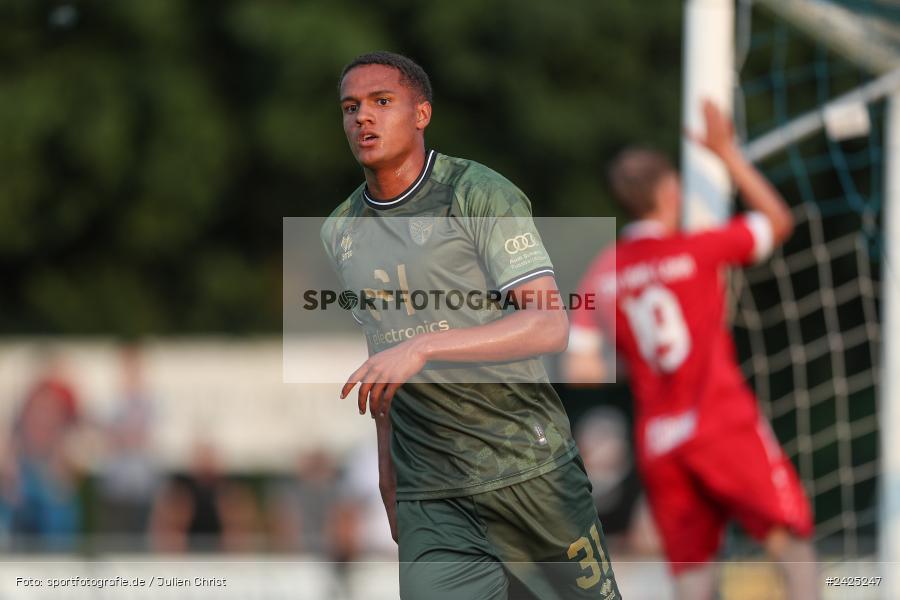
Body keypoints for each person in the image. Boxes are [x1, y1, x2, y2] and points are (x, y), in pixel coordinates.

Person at [321, 51, 621, 599]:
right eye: (350, 107)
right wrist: (389, 472)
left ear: (421, 114)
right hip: (431, 497)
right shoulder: (340, 230)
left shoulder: (478, 193)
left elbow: (550, 325)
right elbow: (383, 352)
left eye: (381, 102)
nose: (362, 117)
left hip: (529, 473)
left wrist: (426, 347)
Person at [563, 100, 818, 600]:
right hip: (719, 419)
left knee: (692, 575)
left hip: (659, 439)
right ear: (668, 191)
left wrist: (635, 357)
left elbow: (582, 370)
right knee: (788, 536)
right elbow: (778, 221)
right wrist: (727, 153)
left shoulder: (603, 273)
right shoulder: (695, 250)